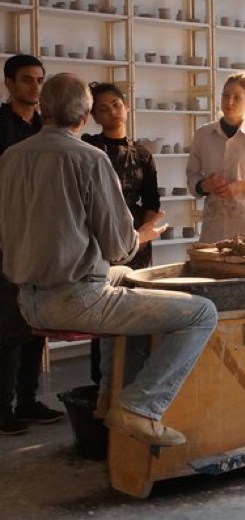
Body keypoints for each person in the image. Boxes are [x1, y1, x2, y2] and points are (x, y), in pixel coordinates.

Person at [0, 73, 217, 446]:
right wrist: (143, 235)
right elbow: (119, 246)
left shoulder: (11, 156)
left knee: (124, 276)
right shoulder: (90, 158)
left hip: (25, 298)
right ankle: (139, 407)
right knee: (202, 314)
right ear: (86, 116)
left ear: (43, 109)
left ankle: (106, 397)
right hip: (74, 299)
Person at [0, 54, 65, 435]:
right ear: (9, 83)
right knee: (8, 323)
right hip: (6, 236)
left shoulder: (47, 127)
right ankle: (3, 407)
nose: (35, 87)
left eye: (40, 80)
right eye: (27, 79)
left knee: (36, 321)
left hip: (41, 236)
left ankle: (27, 400)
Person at [82, 82, 160, 387]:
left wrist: (140, 235)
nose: (112, 112)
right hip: (98, 236)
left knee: (135, 305)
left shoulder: (142, 153)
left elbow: (152, 202)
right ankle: (101, 383)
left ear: (126, 107)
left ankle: (133, 378)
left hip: (136, 238)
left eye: (116, 105)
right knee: (100, 306)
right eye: (103, 109)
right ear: (94, 116)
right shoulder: (90, 147)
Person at [186, 71, 245, 242]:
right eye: (225, 96)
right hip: (214, 223)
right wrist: (206, 185)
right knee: (212, 259)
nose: (229, 102)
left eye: (237, 98)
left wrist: (244, 186)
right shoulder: (203, 134)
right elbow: (192, 175)